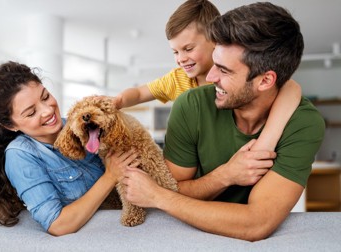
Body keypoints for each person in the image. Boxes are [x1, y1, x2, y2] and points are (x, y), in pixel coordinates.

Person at [122, 2, 325, 241]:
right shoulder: (191, 104)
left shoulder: (303, 123)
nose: (209, 77)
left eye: (224, 70)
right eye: (214, 62)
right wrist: (226, 175)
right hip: (181, 235)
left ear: (265, 80)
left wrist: (157, 197)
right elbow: (173, 186)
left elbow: (256, 223)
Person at [0, 61, 138, 236]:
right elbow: (57, 224)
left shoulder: (80, 124)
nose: (47, 110)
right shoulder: (20, 155)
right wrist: (110, 176)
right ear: (10, 125)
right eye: (31, 112)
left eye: (45, 97)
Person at [114, 0, 301, 153]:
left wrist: (266, 141)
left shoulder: (237, 77)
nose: (181, 59)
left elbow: (290, 87)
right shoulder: (177, 79)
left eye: (188, 49)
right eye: (175, 52)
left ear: (215, 40)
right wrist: (116, 101)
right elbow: (139, 93)